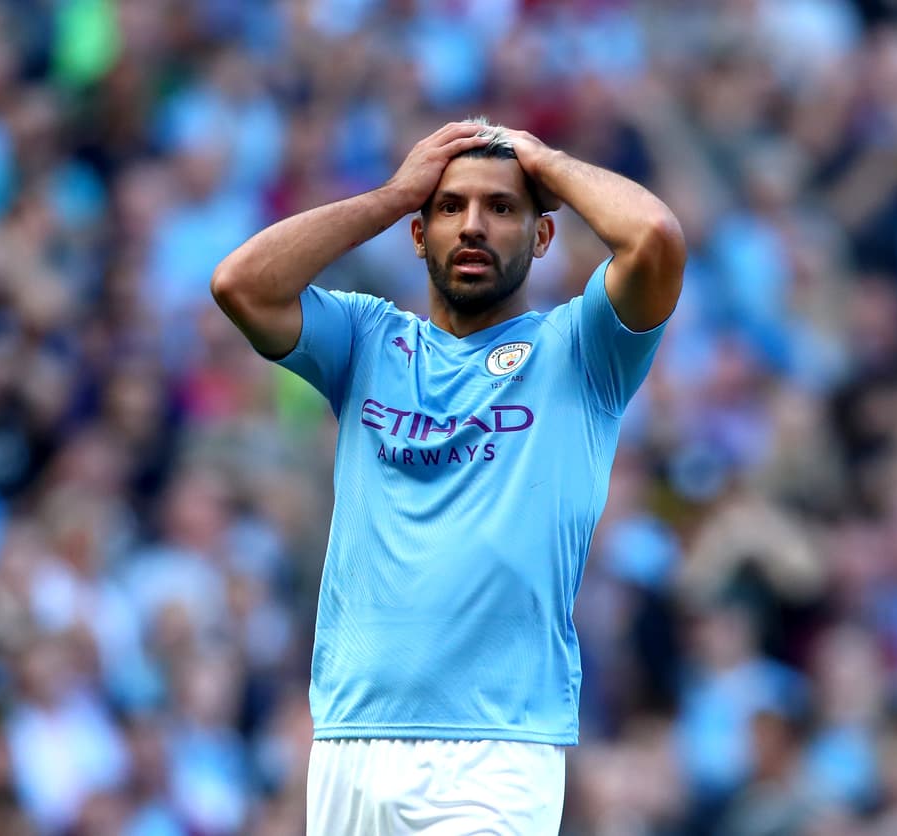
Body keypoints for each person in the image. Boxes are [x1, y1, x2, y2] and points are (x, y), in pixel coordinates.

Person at [211, 118, 685, 834]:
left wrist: (545, 162)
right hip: (351, 737)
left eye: (502, 208)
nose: (473, 226)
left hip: (497, 749)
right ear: (418, 231)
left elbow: (654, 238)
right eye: (450, 206)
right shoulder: (368, 339)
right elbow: (240, 285)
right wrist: (391, 195)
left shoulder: (580, 351)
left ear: (543, 234)